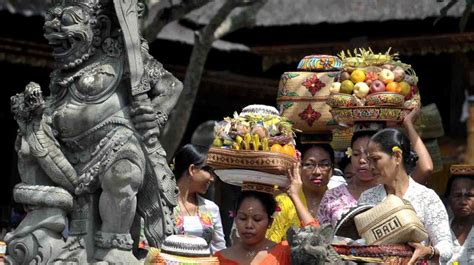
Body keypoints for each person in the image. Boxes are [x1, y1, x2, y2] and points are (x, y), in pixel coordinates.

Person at [318, 108, 433, 228]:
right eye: (356, 154)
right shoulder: (333, 196)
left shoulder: (396, 188)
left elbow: (426, 169)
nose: (362, 160)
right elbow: (320, 238)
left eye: (371, 156)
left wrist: (408, 125)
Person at [359, 128, 452, 264]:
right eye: (369, 160)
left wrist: (429, 251)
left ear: (397, 156)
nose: (370, 166)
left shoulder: (426, 197)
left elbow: (446, 246)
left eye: (375, 159)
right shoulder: (367, 198)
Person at [215, 164, 317, 265]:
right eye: (242, 218)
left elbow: (316, 238)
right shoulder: (219, 259)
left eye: (257, 219)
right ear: (235, 218)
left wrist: (294, 195)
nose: (249, 225)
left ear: (270, 222)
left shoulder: (284, 253)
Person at [265, 144, 334, 242]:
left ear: (332, 170)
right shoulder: (283, 202)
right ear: (298, 168)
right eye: (309, 164)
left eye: (324, 165)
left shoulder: (338, 201)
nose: (317, 172)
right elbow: (270, 243)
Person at [173, 144, 226, 253]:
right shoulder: (162, 204)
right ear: (192, 169)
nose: (212, 178)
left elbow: (219, 251)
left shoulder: (211, 208)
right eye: (208, 171)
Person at [445, 170, 474, 264]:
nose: (463, 202)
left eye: (469, 196)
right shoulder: (441, 231)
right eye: (457, 196)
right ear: (449, 199)